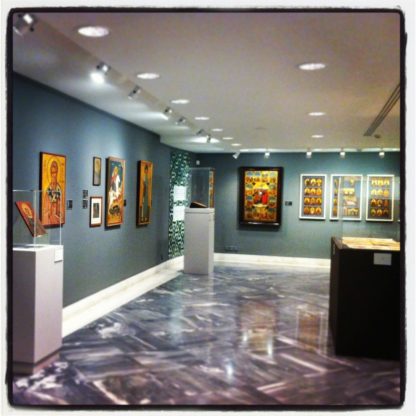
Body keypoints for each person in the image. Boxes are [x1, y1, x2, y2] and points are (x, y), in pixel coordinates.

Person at [43, 160, 62, 225]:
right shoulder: (48, 190)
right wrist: (49, 211)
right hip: (49, 219)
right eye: (52, 172)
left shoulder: (59, 189)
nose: (53, 175)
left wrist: (58, 214)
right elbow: (44, 209)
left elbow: (61, 209)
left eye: (55, 172)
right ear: (50, 173)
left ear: (57, 173)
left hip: (57, 220)